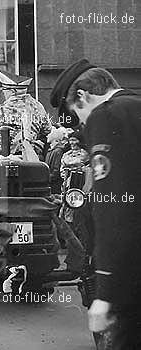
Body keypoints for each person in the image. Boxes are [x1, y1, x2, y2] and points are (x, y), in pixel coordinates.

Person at [50, 59, 141, 349]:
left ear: (81, 96)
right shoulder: (135, 106)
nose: (82, 124)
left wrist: (106, 291)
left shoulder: (106, 116)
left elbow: (114, 209)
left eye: (77, 115)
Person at [0, 69, 51, 160]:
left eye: (5, 90)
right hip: (33, 154)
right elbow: (47, 129)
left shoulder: (6, 108)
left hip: (9, 155)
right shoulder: (38, 106)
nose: (3, 93)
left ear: (12, 91)